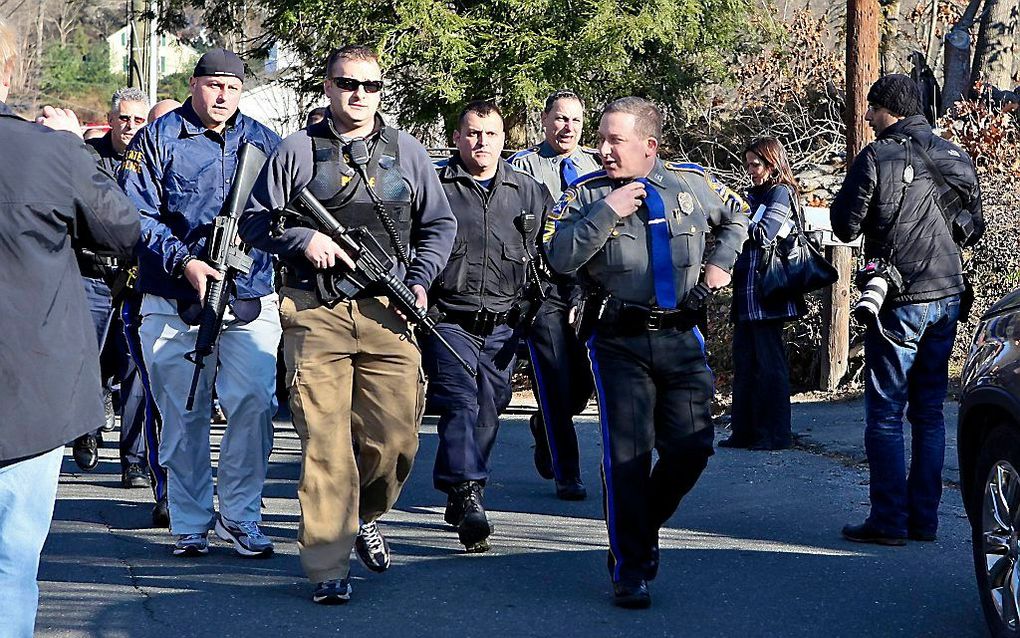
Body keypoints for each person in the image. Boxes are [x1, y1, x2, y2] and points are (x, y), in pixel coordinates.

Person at [239, 44, 455, 604]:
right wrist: (302, 238)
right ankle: (328, 566)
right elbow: (256, 223)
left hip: (391, 313)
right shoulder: (296, 151)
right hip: (315, 313)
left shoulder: (407, 153)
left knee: (396, 441)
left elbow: (439, 226)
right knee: (325, 445)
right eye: (345, 83)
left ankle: (365, 513)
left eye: (369, 86)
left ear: (381, 91)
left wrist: (421, 280)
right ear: (328, 87)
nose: (357, 95)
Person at [545, 97, 747, 608]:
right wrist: (605, 213)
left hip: (681, 336)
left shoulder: (692, 185)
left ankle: (641, 522)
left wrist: (718, 268)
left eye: (616, 140)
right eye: (602, 139)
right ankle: (630, 566)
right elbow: (558, 256)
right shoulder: (585, 196)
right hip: (619, 340)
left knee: (692, 447)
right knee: (627, 457)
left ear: (648, 146)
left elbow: (738, 218)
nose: (604, 149)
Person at [0, 19, 140, 637]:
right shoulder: (50, 153)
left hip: (34, 381)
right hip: (33, 384)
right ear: (10, 74)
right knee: (12, 558)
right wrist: (76, 151)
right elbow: (122, 230)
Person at [119, 49, 283, 557]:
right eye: (214, 86)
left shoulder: (265, 142)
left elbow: (288, 208)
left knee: (253, 404)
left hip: (248, 295)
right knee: (183, 411)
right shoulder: (157, 138)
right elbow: (135, 214)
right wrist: (184, 261)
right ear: (194, 85)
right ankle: (190, 521)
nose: (223, 97)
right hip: (173, 301)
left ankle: (240, 516)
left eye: (233, 88)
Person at [831, 74, 983, 545]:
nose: (869, 119)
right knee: (930, 412)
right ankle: (925, 520)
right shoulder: (956, 156)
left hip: (899, 299)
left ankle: (889, 521)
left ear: (886, 109)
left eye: (872, 110)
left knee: (885, 412)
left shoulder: (877, 156)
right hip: (948, 296)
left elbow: (844, 226)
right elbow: (973, 228)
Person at [428, 101, 549, 551]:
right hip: (448, 317)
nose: (482, 143)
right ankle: (468, 492)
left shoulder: (527, 191)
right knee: (459, 401)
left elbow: (549, 253)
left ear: (504, 139)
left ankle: (460, 489)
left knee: (489, 406)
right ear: (457, 138)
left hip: (505, 322)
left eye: (491, 134)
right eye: (473, 134)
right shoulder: (435, 186)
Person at [511, 89, 601, 500]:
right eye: (561, 119)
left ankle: (543, 424)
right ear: (545, 120)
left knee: (581, 384)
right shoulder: (522, 168)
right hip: (542, 287)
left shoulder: (595, 167)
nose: (568, 128)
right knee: (551, 375)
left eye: (576, 121)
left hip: (585, 287)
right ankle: (569, 472)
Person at [71, 87, 151, 489]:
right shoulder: (89, 158)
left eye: (139, 120)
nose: (131, 127)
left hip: (136, 277)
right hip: (91, 274)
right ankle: (86, 429)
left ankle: (134, 460)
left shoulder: (152, 160)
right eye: (124, 118)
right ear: (111, 117)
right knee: (89, 359)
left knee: (135, 367)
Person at [720, 137, 806, 451]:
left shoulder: (781, 192)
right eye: (748, 165)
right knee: (744, 363)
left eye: (755, 164)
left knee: (770, 366)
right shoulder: (752, 196)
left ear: (772, 164)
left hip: (769, 292)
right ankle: (744, 431)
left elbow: (764, 233)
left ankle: (776, 434)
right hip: (746, 291)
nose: (750, 171)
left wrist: (737, 218)